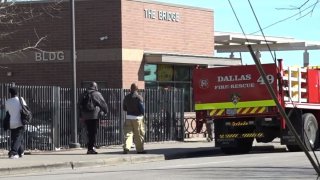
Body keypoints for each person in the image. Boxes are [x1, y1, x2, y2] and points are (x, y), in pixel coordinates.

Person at [79, 82, 108, 154]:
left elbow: (79, 104)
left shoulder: (83, 94)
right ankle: (91, 148)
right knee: (93, 132)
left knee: (89, 132)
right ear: (95, 87)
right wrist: (106, 111)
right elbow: (103, 103)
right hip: (94, 115)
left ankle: (90, 147)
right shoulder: (96, 94)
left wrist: (81, 115)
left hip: (85, 116)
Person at [122, 83, 146, 154]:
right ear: (137, 89)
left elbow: (124, 108)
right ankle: (140, 150)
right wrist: (142, 113)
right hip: (137, 118)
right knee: (138, 134)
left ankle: (126, 147)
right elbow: (142, 109)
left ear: (130, 89)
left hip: (128, 117)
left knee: (128, 133)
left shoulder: (126, 97)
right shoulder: (139, 97)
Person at [5, 87, 26, 159]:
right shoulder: (20, 100)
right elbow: (25, 109)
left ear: (10, 93)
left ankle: (21, 151)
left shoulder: (7, 101)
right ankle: (13, 152)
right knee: (17, 138)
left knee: (17, 137)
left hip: (11, 122)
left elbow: (7, 112)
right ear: (17, 93)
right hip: (19, 122)